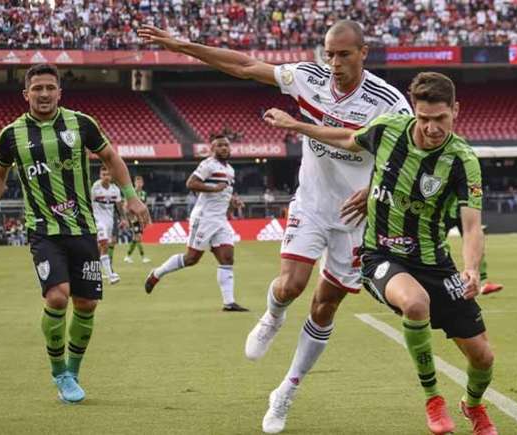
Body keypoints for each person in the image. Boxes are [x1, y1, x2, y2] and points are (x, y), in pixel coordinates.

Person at [140, 20, 413, 434]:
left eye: (343, 54)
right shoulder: (308, 77)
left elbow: (409, 158)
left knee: (325, 307)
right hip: (312, 204)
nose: (334, 62)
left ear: (363, 53)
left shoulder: (388, 102)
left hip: (356, 218)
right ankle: (272, 316)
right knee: (289, 286)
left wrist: (376, 187)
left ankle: (285, 390)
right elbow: (246, 66)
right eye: (329, 53)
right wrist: (183, 45)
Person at [264, 71, 497, 435]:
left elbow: (470, 226)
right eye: (424, 119)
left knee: (483, 357)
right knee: (415, 303)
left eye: (441, 119)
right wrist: (298, 125)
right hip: (382, 256)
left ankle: (473, 405)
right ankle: (433, 398)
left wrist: (469, 269)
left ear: (456, 111)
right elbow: (345, 138)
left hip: (435, 261)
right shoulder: (389, 128)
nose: (433, 128)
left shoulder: (463, 161)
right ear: (414, 112)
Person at [0, 63, 150, 403]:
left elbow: (112, 157)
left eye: (49, 88)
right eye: (37, 88)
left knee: (86, 304)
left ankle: (72, 370)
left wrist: (131, 197)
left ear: (60, 92)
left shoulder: (81, 123)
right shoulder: (11, 135)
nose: (43, 94)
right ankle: (59, 373)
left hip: (83, 227)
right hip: (43, 230)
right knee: (57, 296)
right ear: (26, 94)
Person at [145, 135, 248, 312]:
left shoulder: (230, 170)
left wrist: (233, 201)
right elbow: (191, 183)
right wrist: (212, 188)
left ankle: (229, 302)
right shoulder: (208, 165)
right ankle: (157, 273)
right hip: (204, 218)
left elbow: (224, 192)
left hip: (220, 220)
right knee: (191, 258)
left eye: (227, 146)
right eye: (220, 145)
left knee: (227, 257)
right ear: (212, 149)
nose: (224, 148)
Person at [91, 166, 125, 284]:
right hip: (97, 220)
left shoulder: (115, 190)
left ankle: (93, 268)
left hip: (109, 221)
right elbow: (88, 203)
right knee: (105, 245)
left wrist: (123, 218)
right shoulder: (95, 187)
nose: (105, 177)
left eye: (108, 174)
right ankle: (111, 275)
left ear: (111, 176)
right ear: (100, 176)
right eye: (103, 174)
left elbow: (119, 205)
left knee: (100, 247)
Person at [124, 175, 151, 263]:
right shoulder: (132, 193)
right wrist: (128, 218)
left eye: (140, 182)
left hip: (141, 219)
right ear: (134, 183)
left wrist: (148, 218)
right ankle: (143, 257)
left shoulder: (144, 194)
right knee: (138, 237)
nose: (139, 184)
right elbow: (126, 205)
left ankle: (128, 256)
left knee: (136, 238)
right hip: (134, 218)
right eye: (137, 182)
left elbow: (145, 207)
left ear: (142, 184)